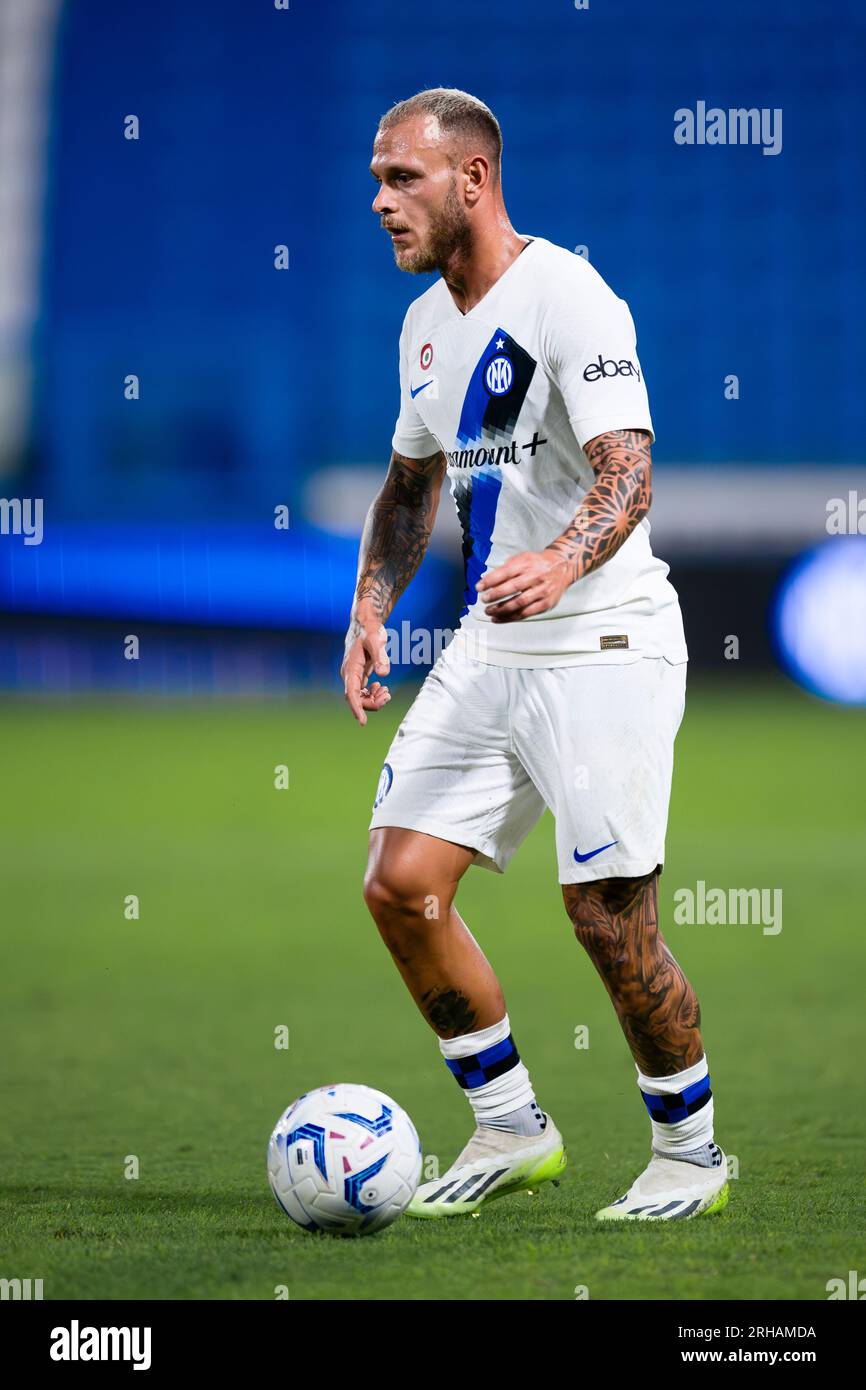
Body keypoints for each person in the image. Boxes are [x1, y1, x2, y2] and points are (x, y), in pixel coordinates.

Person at [341, 87, 727, 1222]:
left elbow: (627, 468)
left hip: (603, 640)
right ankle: (511, 1126)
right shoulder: (423, 327)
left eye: (402, 179)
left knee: (606, 916)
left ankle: (691, 1153)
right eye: (375, 181)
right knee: (400, 883)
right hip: (490, 645)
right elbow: (409, 484)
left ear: (472, 179)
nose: (380, 202)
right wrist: (370, 605)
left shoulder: (568, 296)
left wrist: (559, 561)